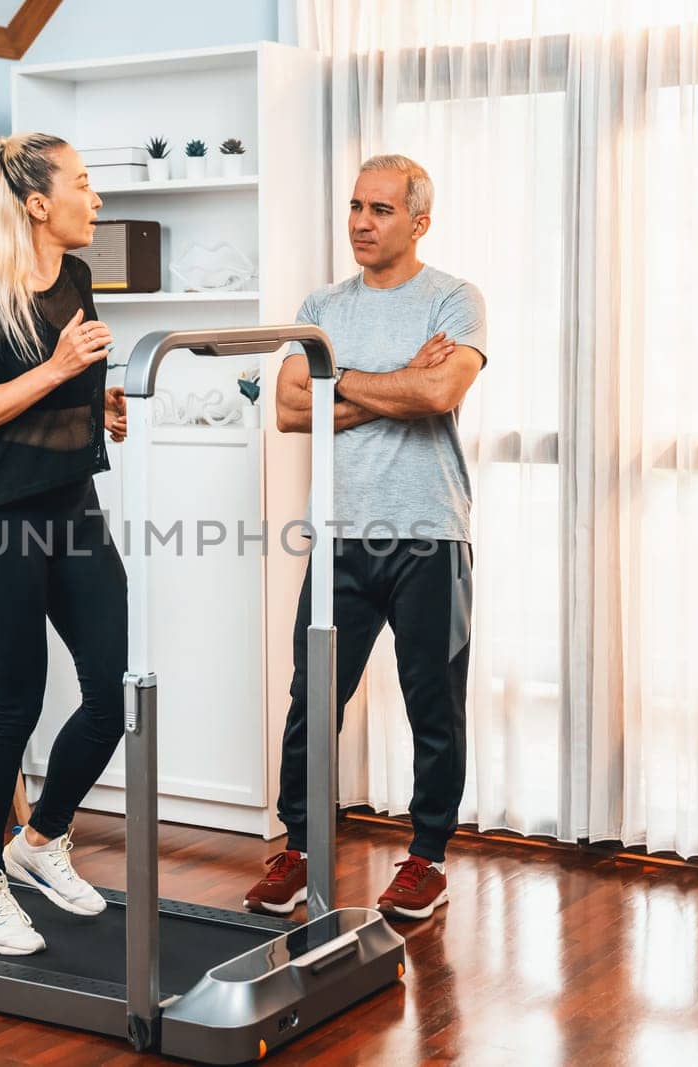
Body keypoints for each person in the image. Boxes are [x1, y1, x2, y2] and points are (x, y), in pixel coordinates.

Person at [245, 154, 486, 921]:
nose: (360, 221)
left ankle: (427, 857)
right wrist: (391, 385)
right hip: (341, 535)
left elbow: (440, 389)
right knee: (311, 697)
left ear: (419, 220)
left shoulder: (453, 298)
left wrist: (337, 382)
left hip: (428, 533)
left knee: (433, 704)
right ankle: (299, 845)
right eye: (355, 206)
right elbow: (286, 410)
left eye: (380, 209)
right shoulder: (321, 305)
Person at [0, 132, 129, 956]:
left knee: (114, 693)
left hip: (71, 507)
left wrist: (97, 406)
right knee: (14, 706)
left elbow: (57, 393)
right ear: (39, 203)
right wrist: (56, 374)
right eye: (85, 184)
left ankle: (41, 840)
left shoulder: (76, 277)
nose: (97, 198)